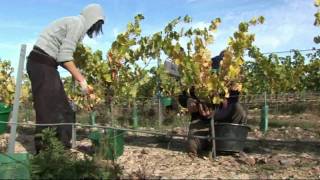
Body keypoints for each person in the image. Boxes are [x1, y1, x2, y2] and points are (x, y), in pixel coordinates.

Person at [26, 4, 105, 153]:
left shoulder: (75, 22)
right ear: (92, 20)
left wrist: (78, 76)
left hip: (44, 64)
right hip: (41, 64)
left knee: (62, 110)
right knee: (50, 112)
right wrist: (82, 81)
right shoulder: (77, 24)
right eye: (96, 26)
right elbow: (65, 57)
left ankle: (58, 150)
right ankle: (46, 154)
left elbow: (61, 57)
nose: (93, 30)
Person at [178, 84, 247, 156]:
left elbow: (235, 98)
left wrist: (225, 98)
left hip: (223, 122)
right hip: (201, 120)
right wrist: (187, 100)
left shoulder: (229, 78)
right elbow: (181, 96)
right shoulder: (194, 76)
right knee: (192, 146)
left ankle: (235, 143)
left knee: (239, 110)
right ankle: (210, 141)